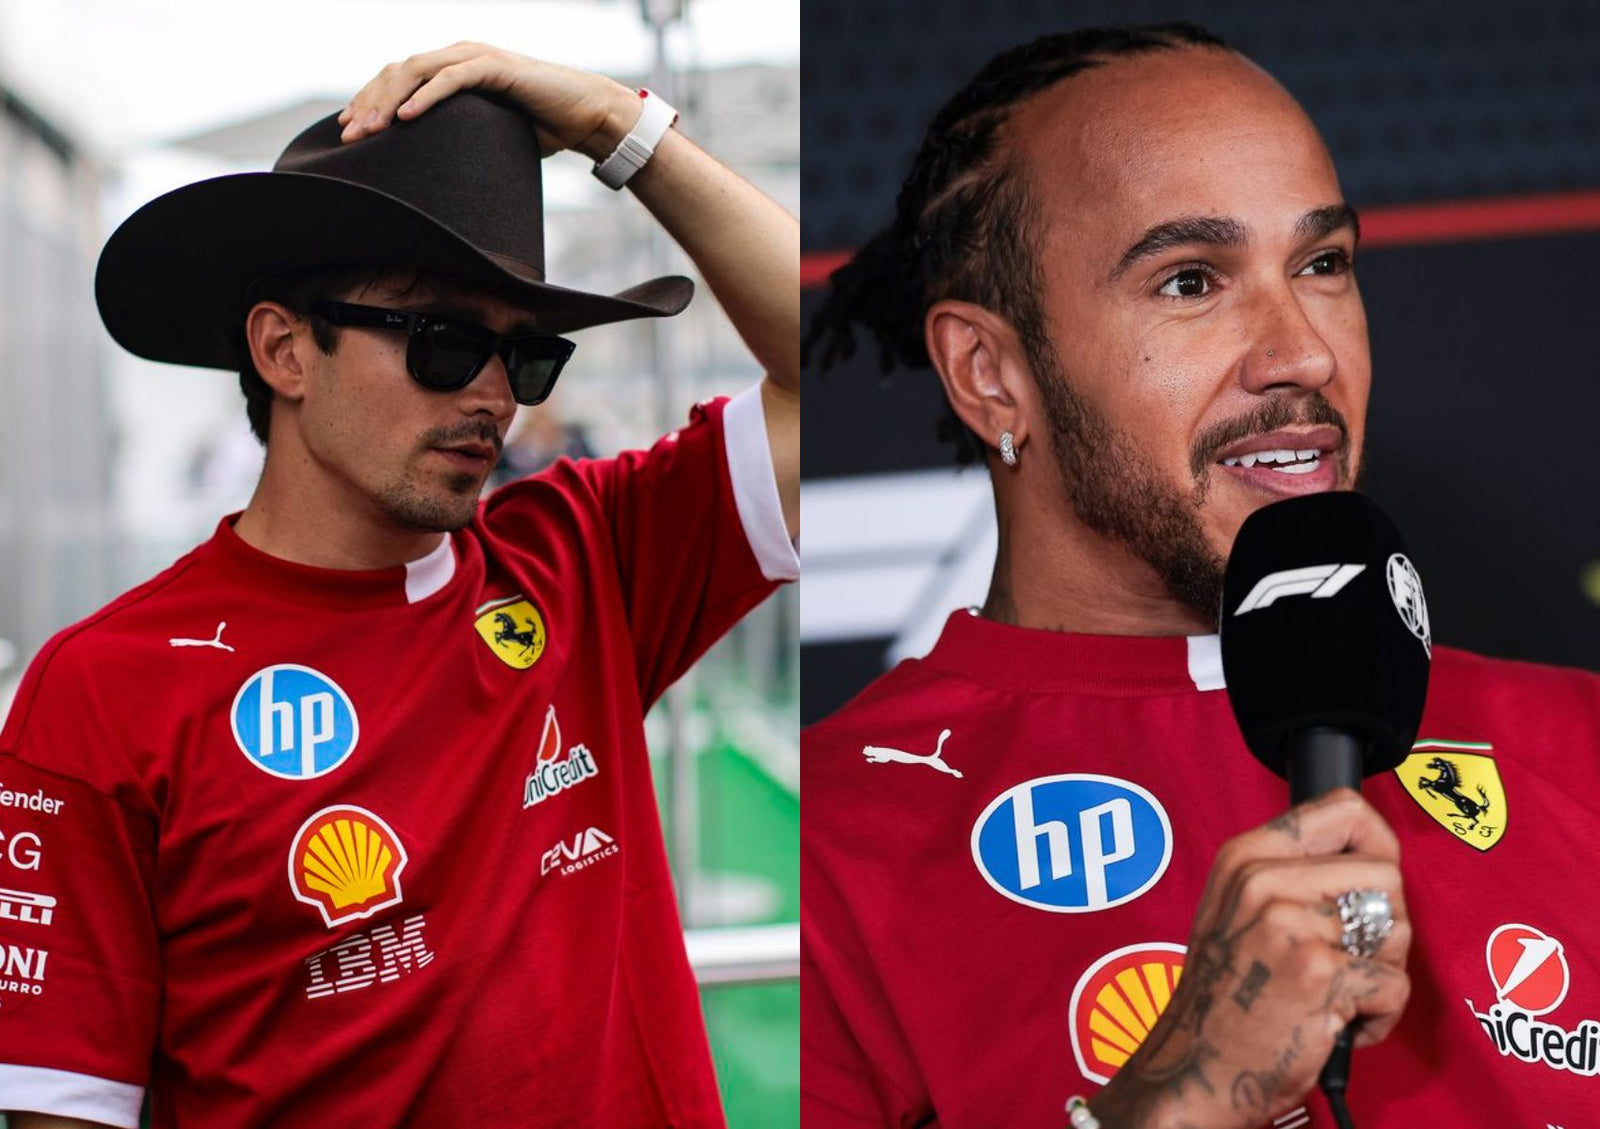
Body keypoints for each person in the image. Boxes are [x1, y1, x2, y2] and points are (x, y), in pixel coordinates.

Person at [802, 23, 1600, 1129]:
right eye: (1189, 281)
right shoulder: (832, 845)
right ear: (989, 375)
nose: (1303, 353)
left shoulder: (1577, 740)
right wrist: (1177, 1097)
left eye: (1321, 265)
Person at [0, 42, 798, 1128]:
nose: (490, 397)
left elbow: (843, 376)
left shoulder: (580, 554)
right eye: (439, 341)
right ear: (283, 351)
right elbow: (65, 1110)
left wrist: (623, 125)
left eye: (524, 357)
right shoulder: (101, 690)